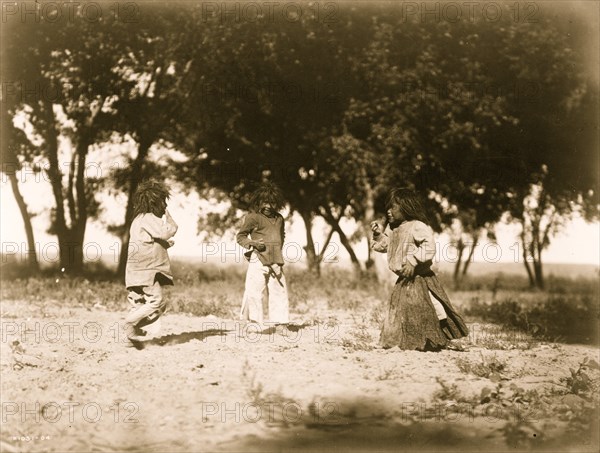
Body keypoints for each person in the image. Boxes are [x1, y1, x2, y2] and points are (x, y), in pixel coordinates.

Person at [371, 188, 468, 351]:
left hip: (421, 278)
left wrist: (413, 260)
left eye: (393, 207)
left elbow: (429, 246)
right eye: (388, 207)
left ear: (406, 207)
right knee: (401, 312)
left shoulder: (417, 226)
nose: (388, 211)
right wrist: (378, 235)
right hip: (404, 280)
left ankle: (440, 338)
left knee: (433, 309)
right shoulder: (392, 229)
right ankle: (407, 340)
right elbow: (384, 247)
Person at [123, 180, 178, 345]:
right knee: (158, 302)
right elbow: (165, 232)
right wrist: (171, 221)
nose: (165, 206)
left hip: (134, 271)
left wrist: (164, 245)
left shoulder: (138, 219)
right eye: (163, 202)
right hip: (147, 271)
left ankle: (131, 337)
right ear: (154, 202)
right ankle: (130, 323)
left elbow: (146, 242)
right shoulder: (149, 218)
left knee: (139, 303)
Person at [236, 182, 289, 327]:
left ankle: (280, 324)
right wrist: (253, 244)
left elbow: (281, 237)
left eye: (272, 203)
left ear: (277, 204)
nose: (268, 206)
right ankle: (252, 323)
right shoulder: (253, 218)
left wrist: (276, 256)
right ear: (259, 202)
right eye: (265, 202)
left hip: (276, 261)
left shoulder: (279, 219)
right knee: (253, 291)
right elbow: (240, 237)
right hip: (258, 259)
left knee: (279, 290)